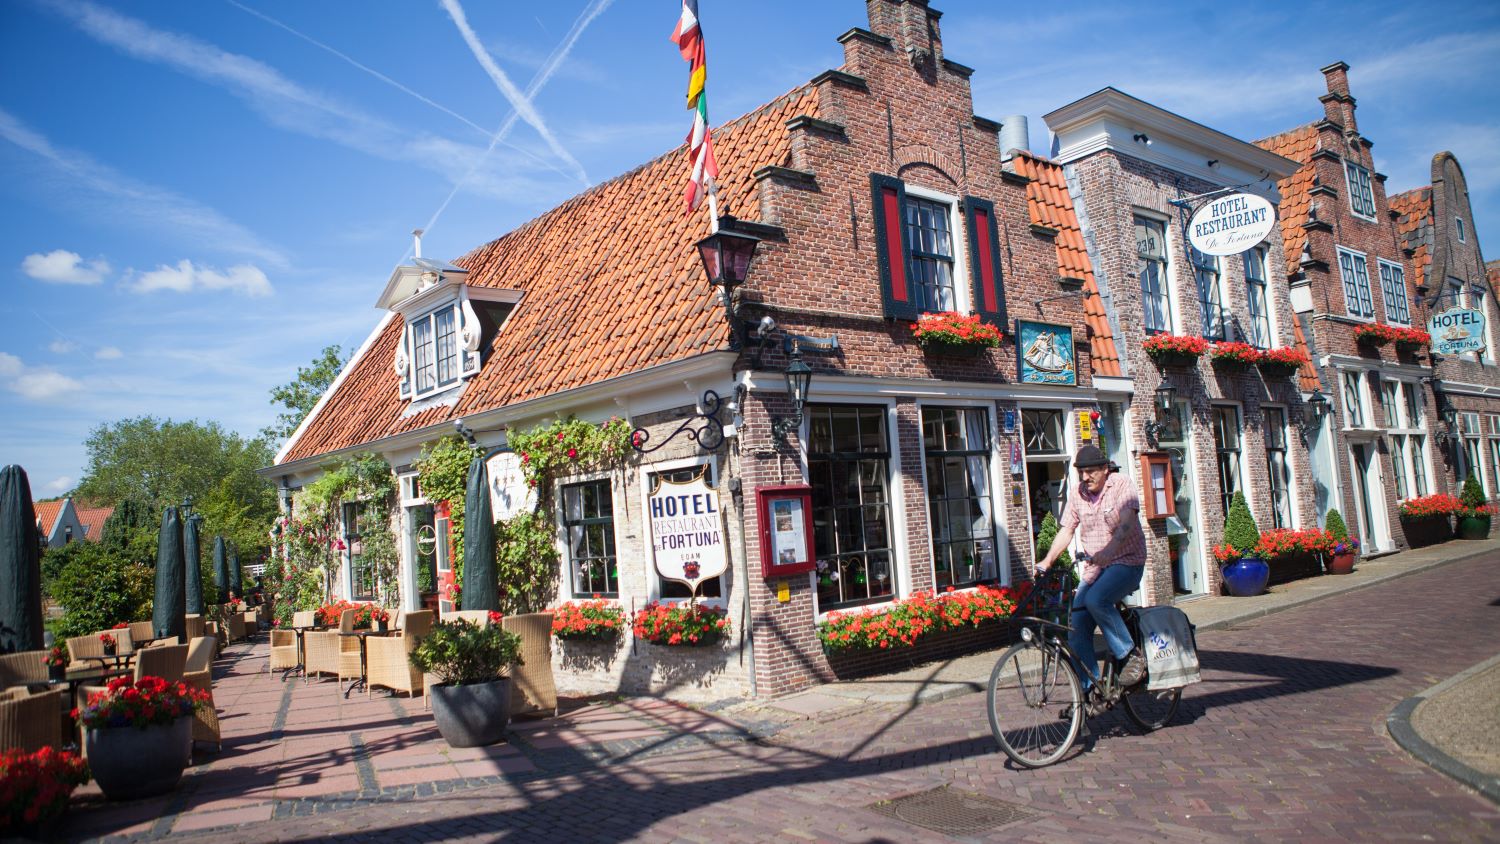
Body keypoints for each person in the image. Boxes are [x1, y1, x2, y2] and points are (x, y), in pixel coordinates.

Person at [1036, 445, 1148, 699]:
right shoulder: (1077, 494)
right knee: (1076, 626)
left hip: (1127, 561)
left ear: (1105, 469)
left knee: (1097, 599)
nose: (1085, 478)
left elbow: (1128, 521)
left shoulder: (1121, 485)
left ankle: (1130, 656)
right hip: (1095, 569)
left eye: (1090, 472)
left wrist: (1110, 551)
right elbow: (1066, 530)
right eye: (1081, 473)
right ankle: (1091, 690)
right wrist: (1047, 560)